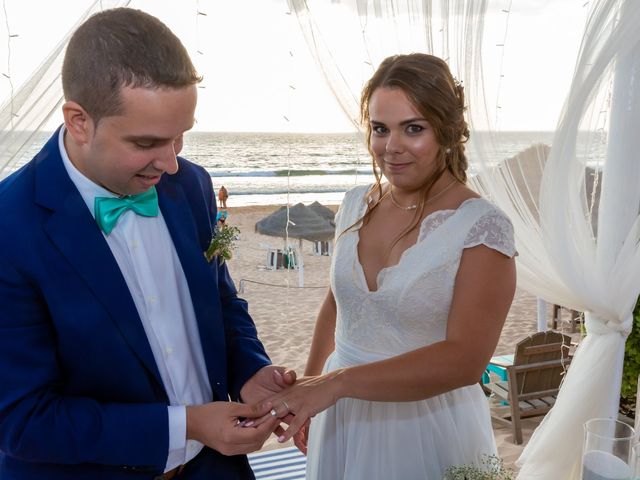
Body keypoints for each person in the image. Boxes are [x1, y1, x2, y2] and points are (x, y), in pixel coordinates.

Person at [0, 8, 294, 480]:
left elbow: (220, 301)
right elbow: (22, 420)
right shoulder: (9, 226)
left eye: (180, 137)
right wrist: (188, 425)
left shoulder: (192, 185)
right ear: (78, 121)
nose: (171, 163)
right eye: (147, 142)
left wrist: (249, 369)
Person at [258, 53, 517, 479]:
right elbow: (338, 304)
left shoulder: (482, 227)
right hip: (341, 417)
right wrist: (308, 390)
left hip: (425, 423)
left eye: (412, 129)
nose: (391, 147)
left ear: (448, 132)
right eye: (380, 129)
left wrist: (334, 384)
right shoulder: (355, 203)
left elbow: (466, 360)